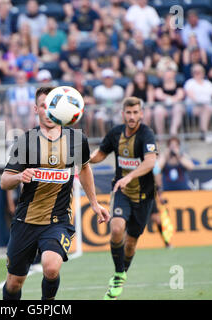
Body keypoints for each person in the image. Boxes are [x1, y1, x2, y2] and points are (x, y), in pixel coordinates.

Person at [0, 86, 110, 300]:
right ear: (35, 109)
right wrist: (19, 177)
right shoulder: (26, 141)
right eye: (43, 106)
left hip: (57, 220)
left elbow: (85, 169)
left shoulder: (77, 140)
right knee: (14, 283)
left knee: (51, 268)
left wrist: (95, 204)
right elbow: (5, 182)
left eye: (53, 105)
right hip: (26, 220)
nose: (49, 111)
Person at [89, 96, 158, 300]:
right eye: (128, 112)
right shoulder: (115, 133)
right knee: (117, 228)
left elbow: (150, 162)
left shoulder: (147, 134)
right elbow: (100, 154)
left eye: (136, 112)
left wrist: (129, 175)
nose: (132, 116)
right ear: (123, 114)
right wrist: (86, 159)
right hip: (121, 191)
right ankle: (119, 274)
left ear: (141, 114)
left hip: (144, 196)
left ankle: (121, 274)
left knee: (131, 243)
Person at [184, 63, 212, 143]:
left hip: (207, 105)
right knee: (206, 108)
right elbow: (191, 96)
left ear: (203, 73)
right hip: (193, 107)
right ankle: (204, 134)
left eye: (199, 72)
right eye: (195, 72)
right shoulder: (190, 82)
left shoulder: (208, 83)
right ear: (192, 73)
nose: (197, 74)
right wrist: (202, 103)